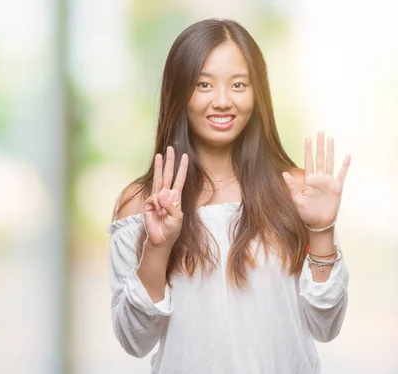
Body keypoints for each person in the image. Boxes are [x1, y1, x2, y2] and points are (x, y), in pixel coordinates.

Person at [107, 19, 351, 374]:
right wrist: (157, 249)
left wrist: (322, 230)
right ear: (179, 91)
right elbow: (135, 341)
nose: (222, 101)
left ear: (258, 93)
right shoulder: (143, 202)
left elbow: (326, 327)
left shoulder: (296, 192)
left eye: (238, 85)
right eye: (203, 84)